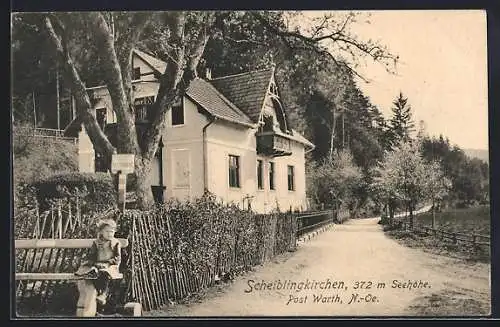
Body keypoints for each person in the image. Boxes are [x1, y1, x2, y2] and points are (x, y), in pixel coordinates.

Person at [75, 218, 122, 306]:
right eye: (107, 231)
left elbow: (117, 258)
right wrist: (94, 263)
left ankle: (103, 294)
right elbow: (92, 256)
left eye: (111, 232)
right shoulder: (96, 243)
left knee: (105, 274)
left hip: (111, 266)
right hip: (98, 265)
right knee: (92, 273)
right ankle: (94, 295)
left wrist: (108, 263)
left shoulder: (116, 243)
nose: (109, 234)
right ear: (101, 232)